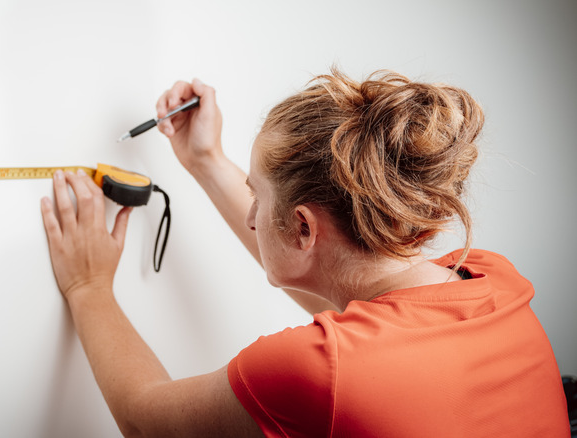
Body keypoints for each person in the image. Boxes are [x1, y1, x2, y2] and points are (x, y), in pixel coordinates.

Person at [40, 68, 569, 437]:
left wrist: (88, 287)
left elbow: (142, 422)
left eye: (258, 197)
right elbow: (362, 336)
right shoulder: (492, 280)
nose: (250, 215)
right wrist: (205, 160)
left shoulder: (322, 372)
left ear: (302, 228)